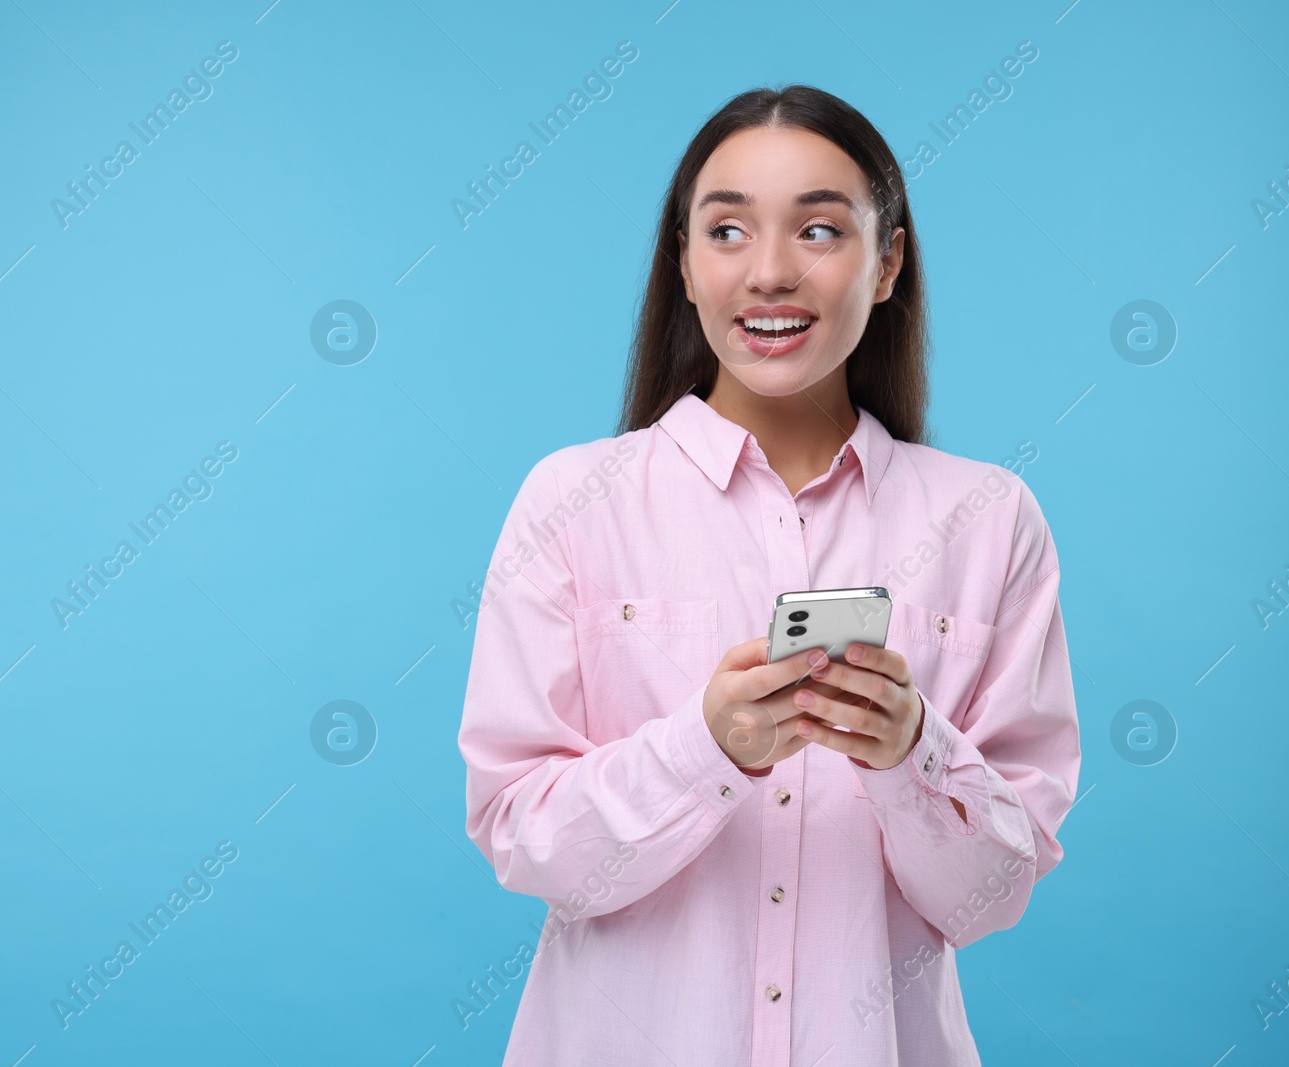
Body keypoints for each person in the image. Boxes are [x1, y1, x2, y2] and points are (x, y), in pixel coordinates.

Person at [456, 84, 1081, 1066]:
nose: (772, 272)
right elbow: (522, 839)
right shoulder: (572, 499)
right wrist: (703, 749)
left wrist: (912, 750)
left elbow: (991, 895)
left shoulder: (988, 520)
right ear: (685, 263)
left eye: (821, 229)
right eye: (729, 230)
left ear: (887, 264)